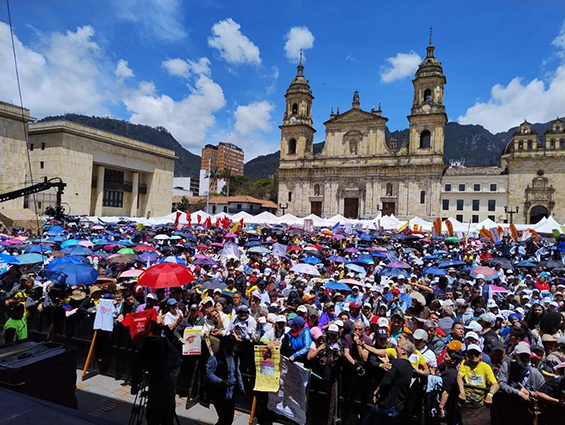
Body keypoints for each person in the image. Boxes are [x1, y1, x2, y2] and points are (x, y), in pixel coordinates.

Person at [362, 341, 416, 425]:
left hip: (386, 406)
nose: (395, 349)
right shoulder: (410, 368)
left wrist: (376, 392)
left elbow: (387, 380)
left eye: (398, 347)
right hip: (398, 408)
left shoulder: (396, 363)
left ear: (404, 351)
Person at [494, 342, 544, 425]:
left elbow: (542, 392)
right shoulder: (507, 366)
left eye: (527, 356)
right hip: (509, 407)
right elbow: (501, 384)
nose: (525, 359)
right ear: (515, 356)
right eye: (522, 356)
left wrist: (529, 393)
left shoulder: (536, 374)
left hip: (527, 411)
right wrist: (518, 393)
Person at [205, 335, 244, 425]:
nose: (235, 348)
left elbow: (237, 372)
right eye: (233, 345)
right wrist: (221, 381)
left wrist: (241, 387)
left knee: (229, 419)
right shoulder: (215, 358)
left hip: (231, 393)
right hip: (219, 394)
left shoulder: (235, 358)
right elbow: (209, 374)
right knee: (223, 418)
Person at [457, 343, 499, 425]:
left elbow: (495, 384)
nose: (474, 356)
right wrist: (462, 392)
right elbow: (459, 377)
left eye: (476, 354)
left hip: (480, 403)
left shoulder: (485, 367)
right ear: (467, 356)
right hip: (466, 403)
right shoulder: (465, 363)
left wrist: (490, 395)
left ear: (481, 356)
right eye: (471, 353)